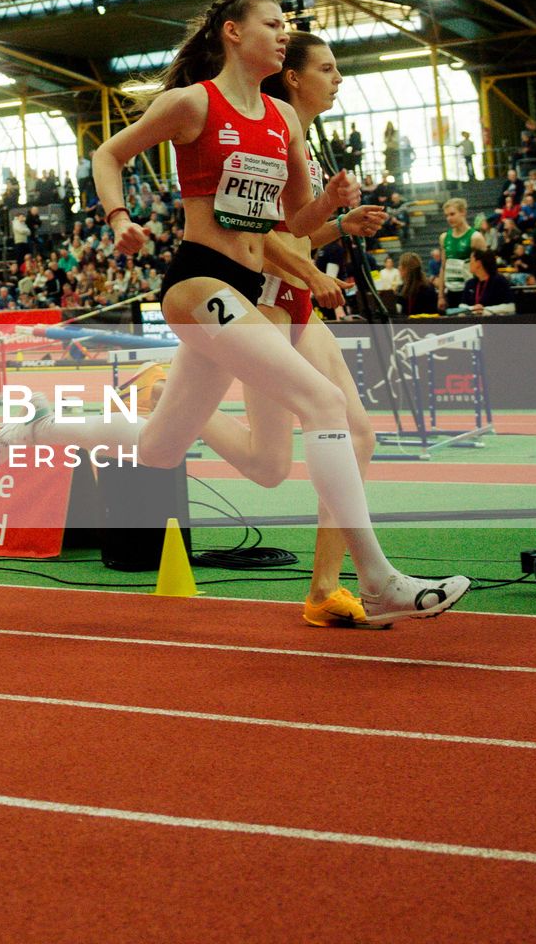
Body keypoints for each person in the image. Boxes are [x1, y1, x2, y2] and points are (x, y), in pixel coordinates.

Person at [0, 0, 468, 623]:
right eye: (272, 25)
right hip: (198, 284)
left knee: (164, 449)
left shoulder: (283, 118)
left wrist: (330, 204)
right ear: (232, 33)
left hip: (246, 292)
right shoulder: (192, 104)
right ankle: (377, 578)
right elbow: (107, 154)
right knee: (324, 404)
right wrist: (118, 217)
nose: (283, 35)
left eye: (285, 27)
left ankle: (47, 427)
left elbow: (290, 222)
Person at [190, 30, 390, 626]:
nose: (338, 78)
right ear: (295, 78)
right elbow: (256, 234)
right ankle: (177, 402)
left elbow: (295, 228)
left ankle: (325, 589)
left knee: (358, 437)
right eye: (328, 69)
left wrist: (337, 222)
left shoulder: (297, 137)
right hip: (264, 304)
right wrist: (308, 266)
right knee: (269, 465)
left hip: (298, 304)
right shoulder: (261, 133)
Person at [438, 199, 487, 313]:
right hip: (451, 291)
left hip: (470, 291)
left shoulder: (475, 237)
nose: (449, 218)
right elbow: (443, 267)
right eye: (446, 215)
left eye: (452, 214)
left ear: (463, 212)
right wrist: (440, 295)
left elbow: (486, 269)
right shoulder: (444, 237)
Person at [461, 247, 512, 314]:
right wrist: (473, 308)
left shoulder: (500, 281)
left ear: (478, 263)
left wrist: (485, 309)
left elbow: (511, 307)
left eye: (471, 260)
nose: (469, 263)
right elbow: (461, 306)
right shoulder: (470, 283)